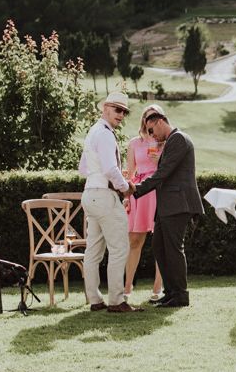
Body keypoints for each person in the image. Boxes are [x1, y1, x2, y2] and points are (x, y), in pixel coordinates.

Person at [133, 110, 204, 308]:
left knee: (173, 249)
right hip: (167, 205)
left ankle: (181, 295)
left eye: (151, 129)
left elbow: (163, 173)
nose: (151, 135)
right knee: (159, 247)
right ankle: (171, 292)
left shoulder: (178, 139)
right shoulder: (172, 141)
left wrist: (137, 189)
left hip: (178, 204)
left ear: (161, 121)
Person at [79, 91, 138, 313]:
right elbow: (110, 169)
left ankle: (94, 299)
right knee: (119, 248)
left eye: (124, 111)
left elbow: (83, 169)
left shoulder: (93, 131)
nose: (121, 115)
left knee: (93, 251)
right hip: (104, 196)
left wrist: (113, 178)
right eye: (117, 109)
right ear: (105, 107)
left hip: (90, 194)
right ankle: (116, 300)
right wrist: (126, 187)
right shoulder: (105, 134)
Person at [124, 105, 164, 302]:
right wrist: (126, 197)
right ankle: (127, 287)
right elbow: (130, 174)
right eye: (148, 118)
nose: (152, 122)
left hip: (157, 192)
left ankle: (158, 288)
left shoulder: (164, 143)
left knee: (160, 242)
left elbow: (168, 171)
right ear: (144, 121)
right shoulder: (134, 143)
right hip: (139, 193)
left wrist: (159, 161)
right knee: (134, 240)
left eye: (155, 118)